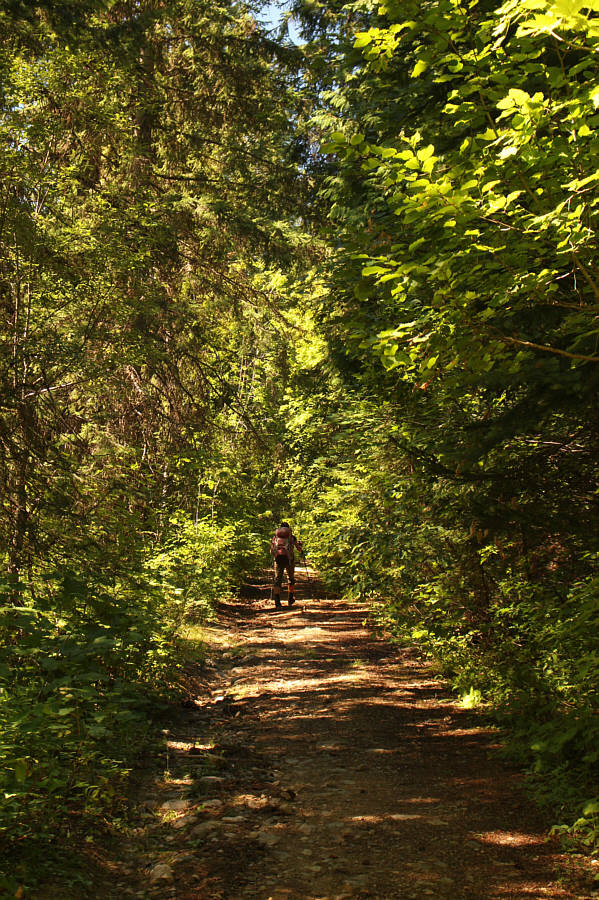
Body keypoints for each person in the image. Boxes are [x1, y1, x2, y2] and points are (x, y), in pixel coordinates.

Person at [270, 521, 303, 608]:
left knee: (278, 580)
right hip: (289, 560)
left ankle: (277, 602)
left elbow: (271, 551)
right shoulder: (292, 537)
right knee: (291, 578)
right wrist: (300, 545)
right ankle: (290, 599)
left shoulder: (275, 538)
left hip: (278, 560)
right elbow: (299, 549)